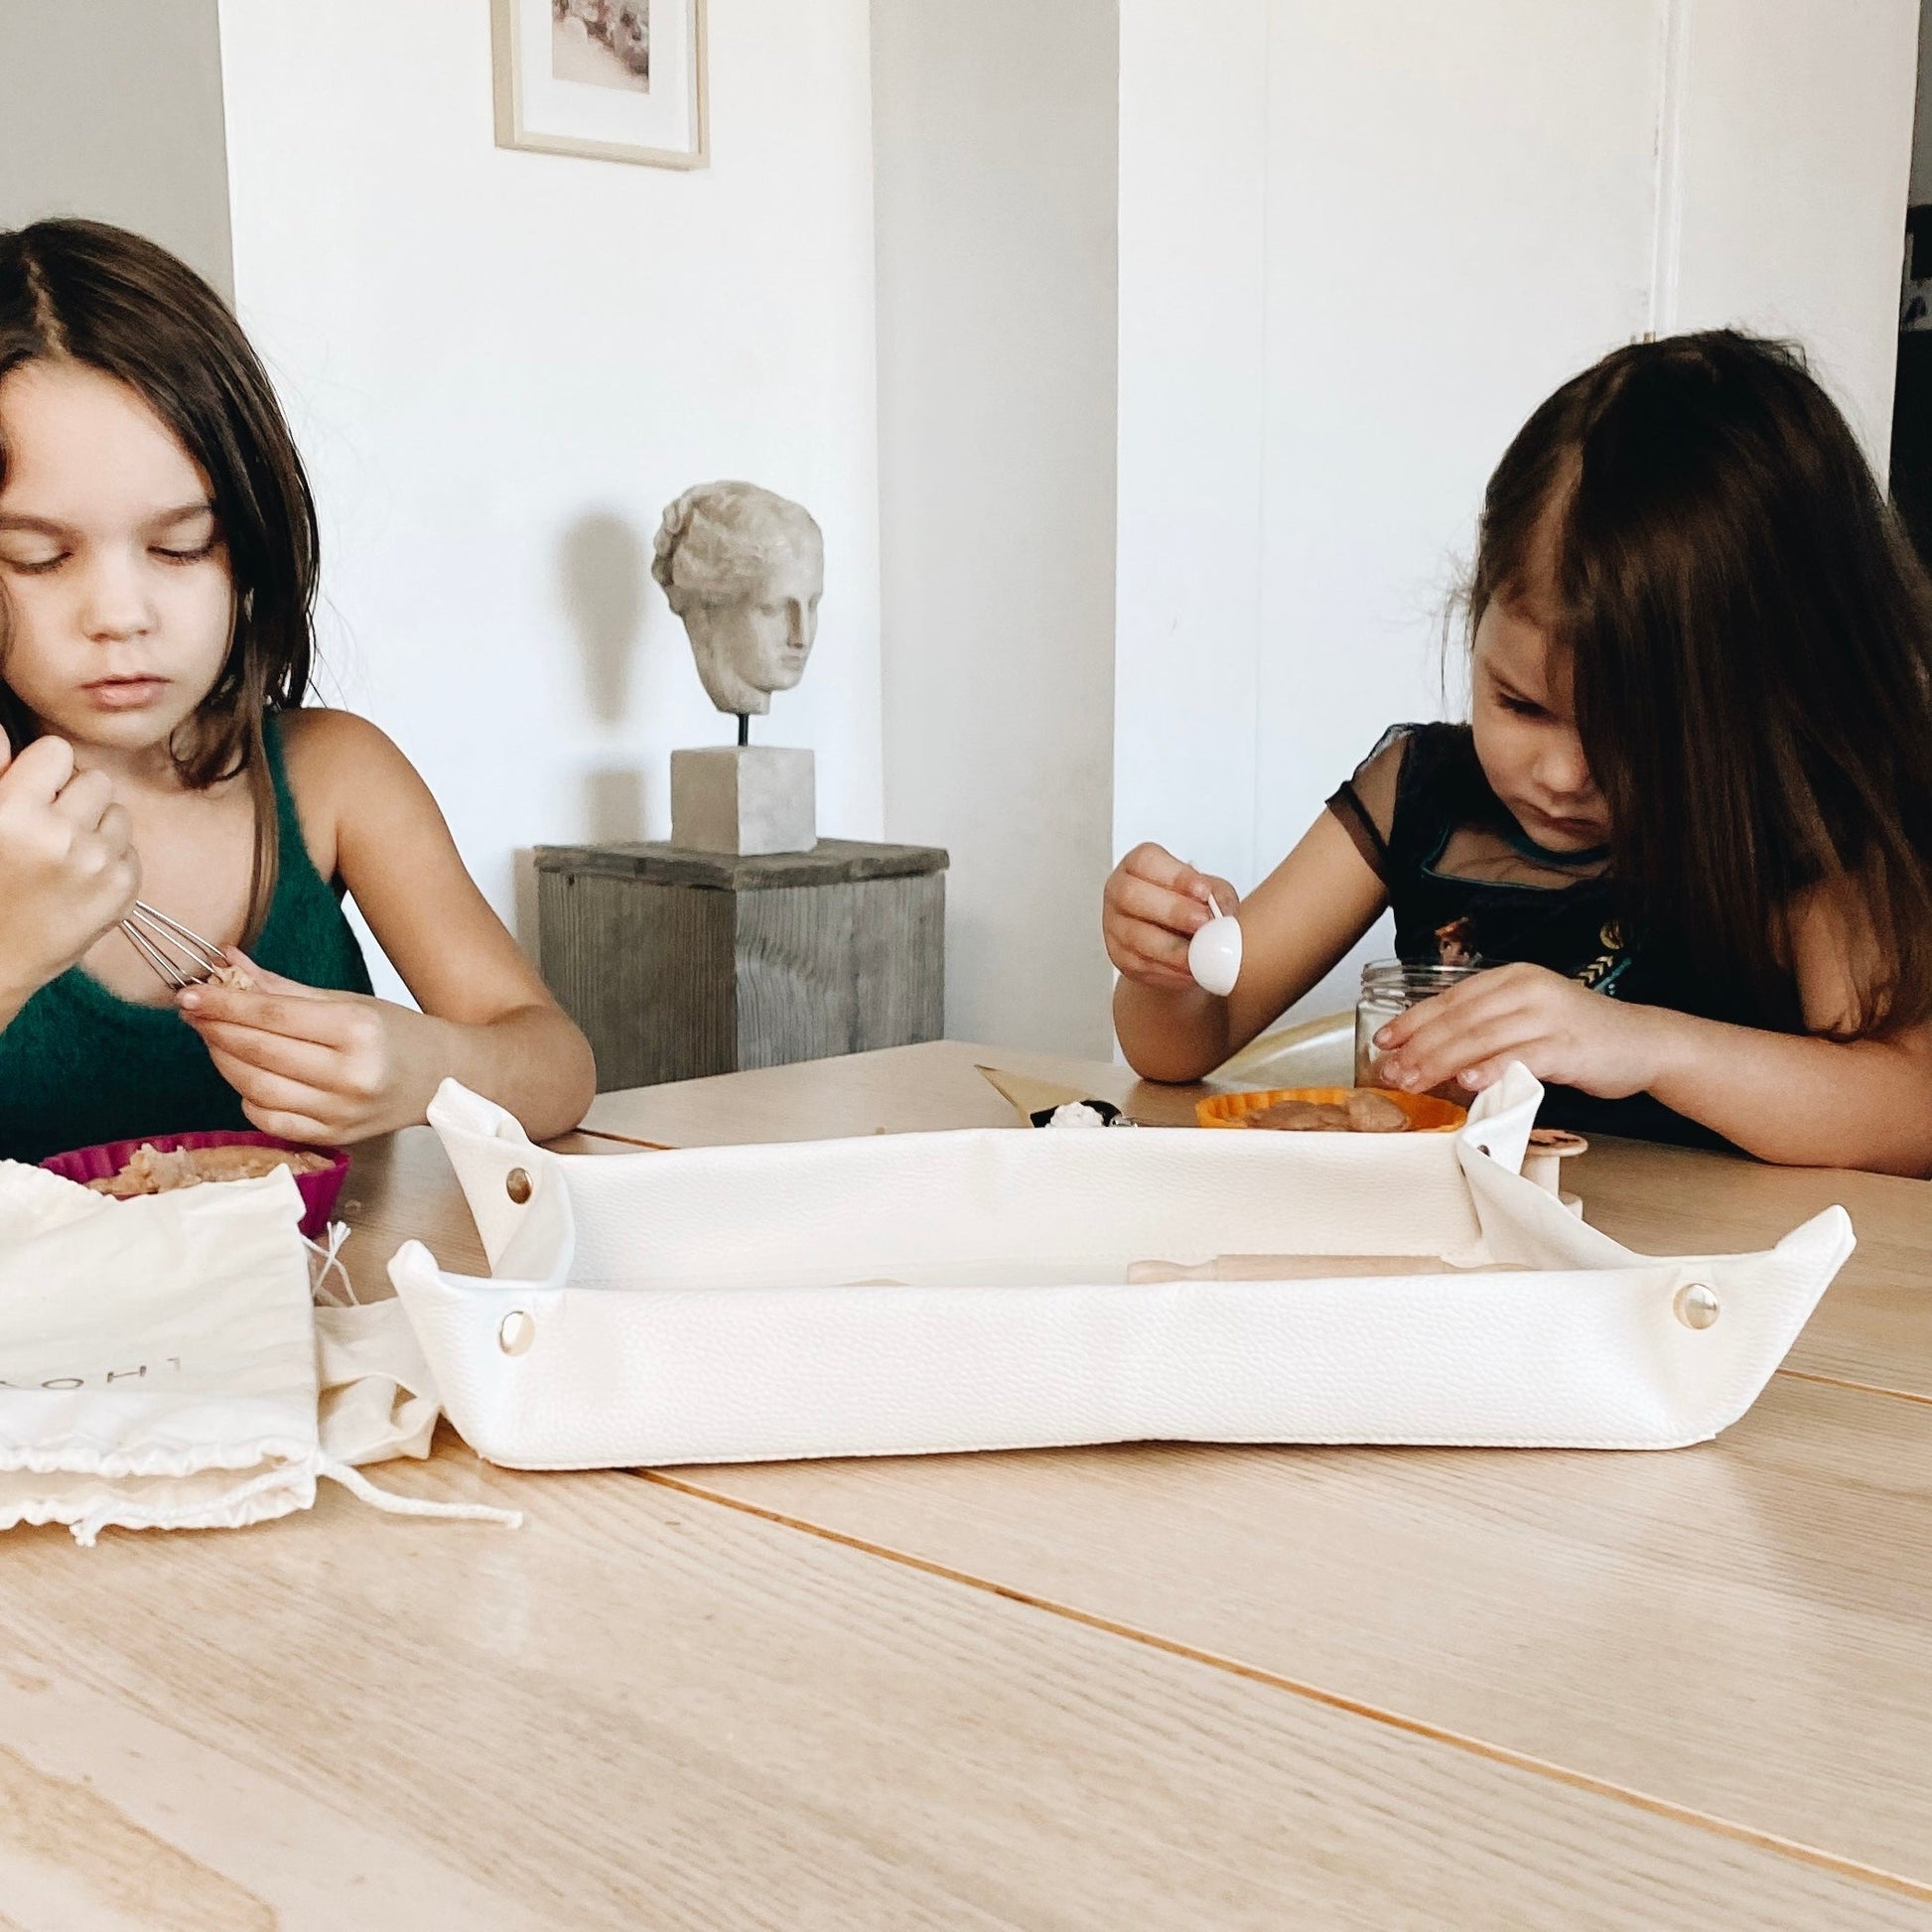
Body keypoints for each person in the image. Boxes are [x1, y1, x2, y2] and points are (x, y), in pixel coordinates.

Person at [1104, 330, 1932, 1175]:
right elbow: (1179, 1048)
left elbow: (1908, 1113)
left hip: (1698, 1256)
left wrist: (1645, 1045)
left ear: (1765, 695)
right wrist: (1168, 970)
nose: (1564, 775)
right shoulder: (1419, 794)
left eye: (1635, 738)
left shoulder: (1802, 834)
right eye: (1521, 705)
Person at [0, 217, 596, 1162]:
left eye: (181, 546)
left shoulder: (333, 776)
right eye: (37, 556)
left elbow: (558, 1067)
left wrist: (427, 1068)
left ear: (250, 543)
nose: (120, 615)